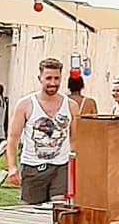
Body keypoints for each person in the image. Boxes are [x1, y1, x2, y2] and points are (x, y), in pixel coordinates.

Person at [6, 58, 76, 205]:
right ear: (40, 79)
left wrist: (75, 165)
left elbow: (75, 139)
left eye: (57, 78)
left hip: (60, 167)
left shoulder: (71, 106)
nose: (53, 83)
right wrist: (12, 167)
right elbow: (13, 139)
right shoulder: (25, 105)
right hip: (33, 167)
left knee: (59, 211)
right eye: (48, 78)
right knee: (33, 213)